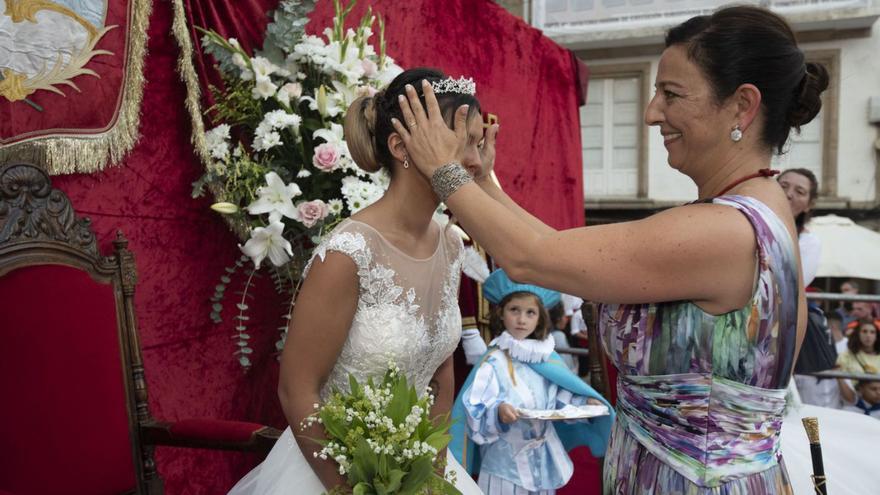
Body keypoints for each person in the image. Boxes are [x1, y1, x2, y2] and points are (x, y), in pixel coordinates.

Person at [393, 5, 826, 493]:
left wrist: (443, 170)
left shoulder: (723, 231)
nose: (651, 113)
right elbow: (555, 250)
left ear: (742, 106)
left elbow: (530, 258)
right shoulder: (759, 209)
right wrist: (483, 182)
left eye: (671, 94)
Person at [227, 68, 485, 494]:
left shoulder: (451, 243)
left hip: (420, 469)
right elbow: (297, 388)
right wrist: (349, 488)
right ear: (401, 146)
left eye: (477, 143)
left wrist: (433, 474)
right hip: (331, 470)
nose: (476, 162)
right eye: (463, 144)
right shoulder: (348, 252)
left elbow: (440, 374)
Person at [450, 269, 613, 494]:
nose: (521, 319)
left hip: (543, 459)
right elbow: (475, 403)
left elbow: (558, 393)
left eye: (530, 312)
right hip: (504, 464)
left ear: (539, 318)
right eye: (514, 310)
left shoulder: (544, 357)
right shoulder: (494, 361)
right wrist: (498, 410)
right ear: (501, 314)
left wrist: (584, 401)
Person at [778, 168, 820, 286]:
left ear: (809, 205)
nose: (788, 194)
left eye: (799, 192)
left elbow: (793, 286)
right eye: (783, 186)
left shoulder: (809, 242)